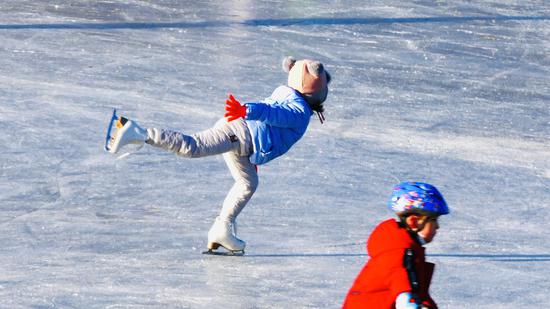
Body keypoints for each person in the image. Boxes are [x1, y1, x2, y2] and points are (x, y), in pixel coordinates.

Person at [106, 56, 331, 254]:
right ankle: (138, 133)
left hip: (245, 140)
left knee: (247, 182)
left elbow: (275, 121)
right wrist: (246, 110)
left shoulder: (287, 92)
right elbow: (274, 114)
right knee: (192, 146)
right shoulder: (299, 112)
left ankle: (222, 229)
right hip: (240, 133)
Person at [343, 182, 449, 308]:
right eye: (433, 220)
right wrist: (406, 298)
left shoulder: (407, 249)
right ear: (414, 222)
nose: (437, 226)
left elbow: (420, 294)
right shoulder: (398, 249)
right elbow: (398, 274)